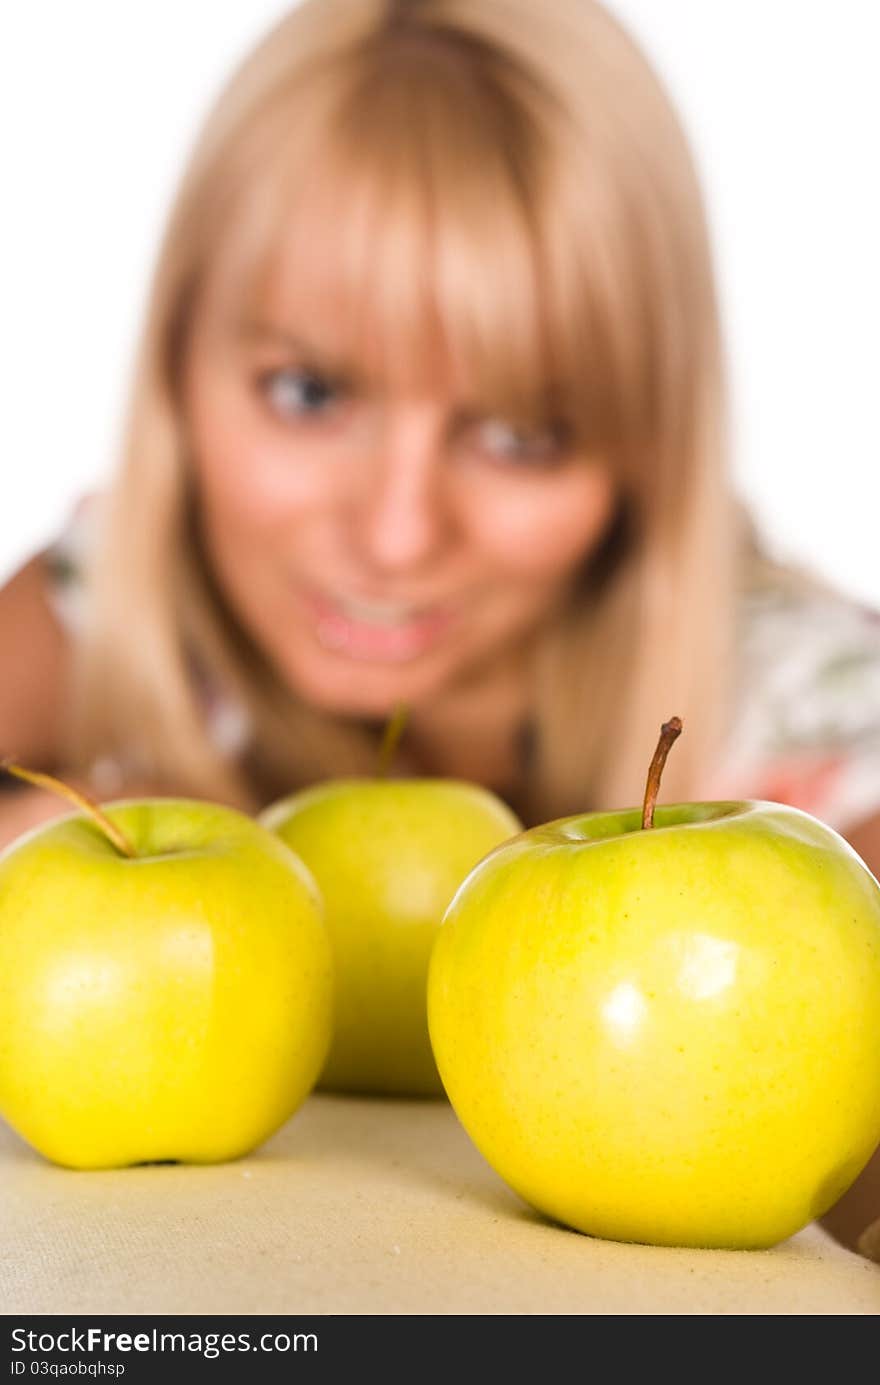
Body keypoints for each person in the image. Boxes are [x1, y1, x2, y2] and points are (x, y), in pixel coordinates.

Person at [1, 0, 878, 1255]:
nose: (398, 532)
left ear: (646, 451)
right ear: (175, 367)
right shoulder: (122, 601)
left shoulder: (802, 693)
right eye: (308, 391)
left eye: (521, 434)